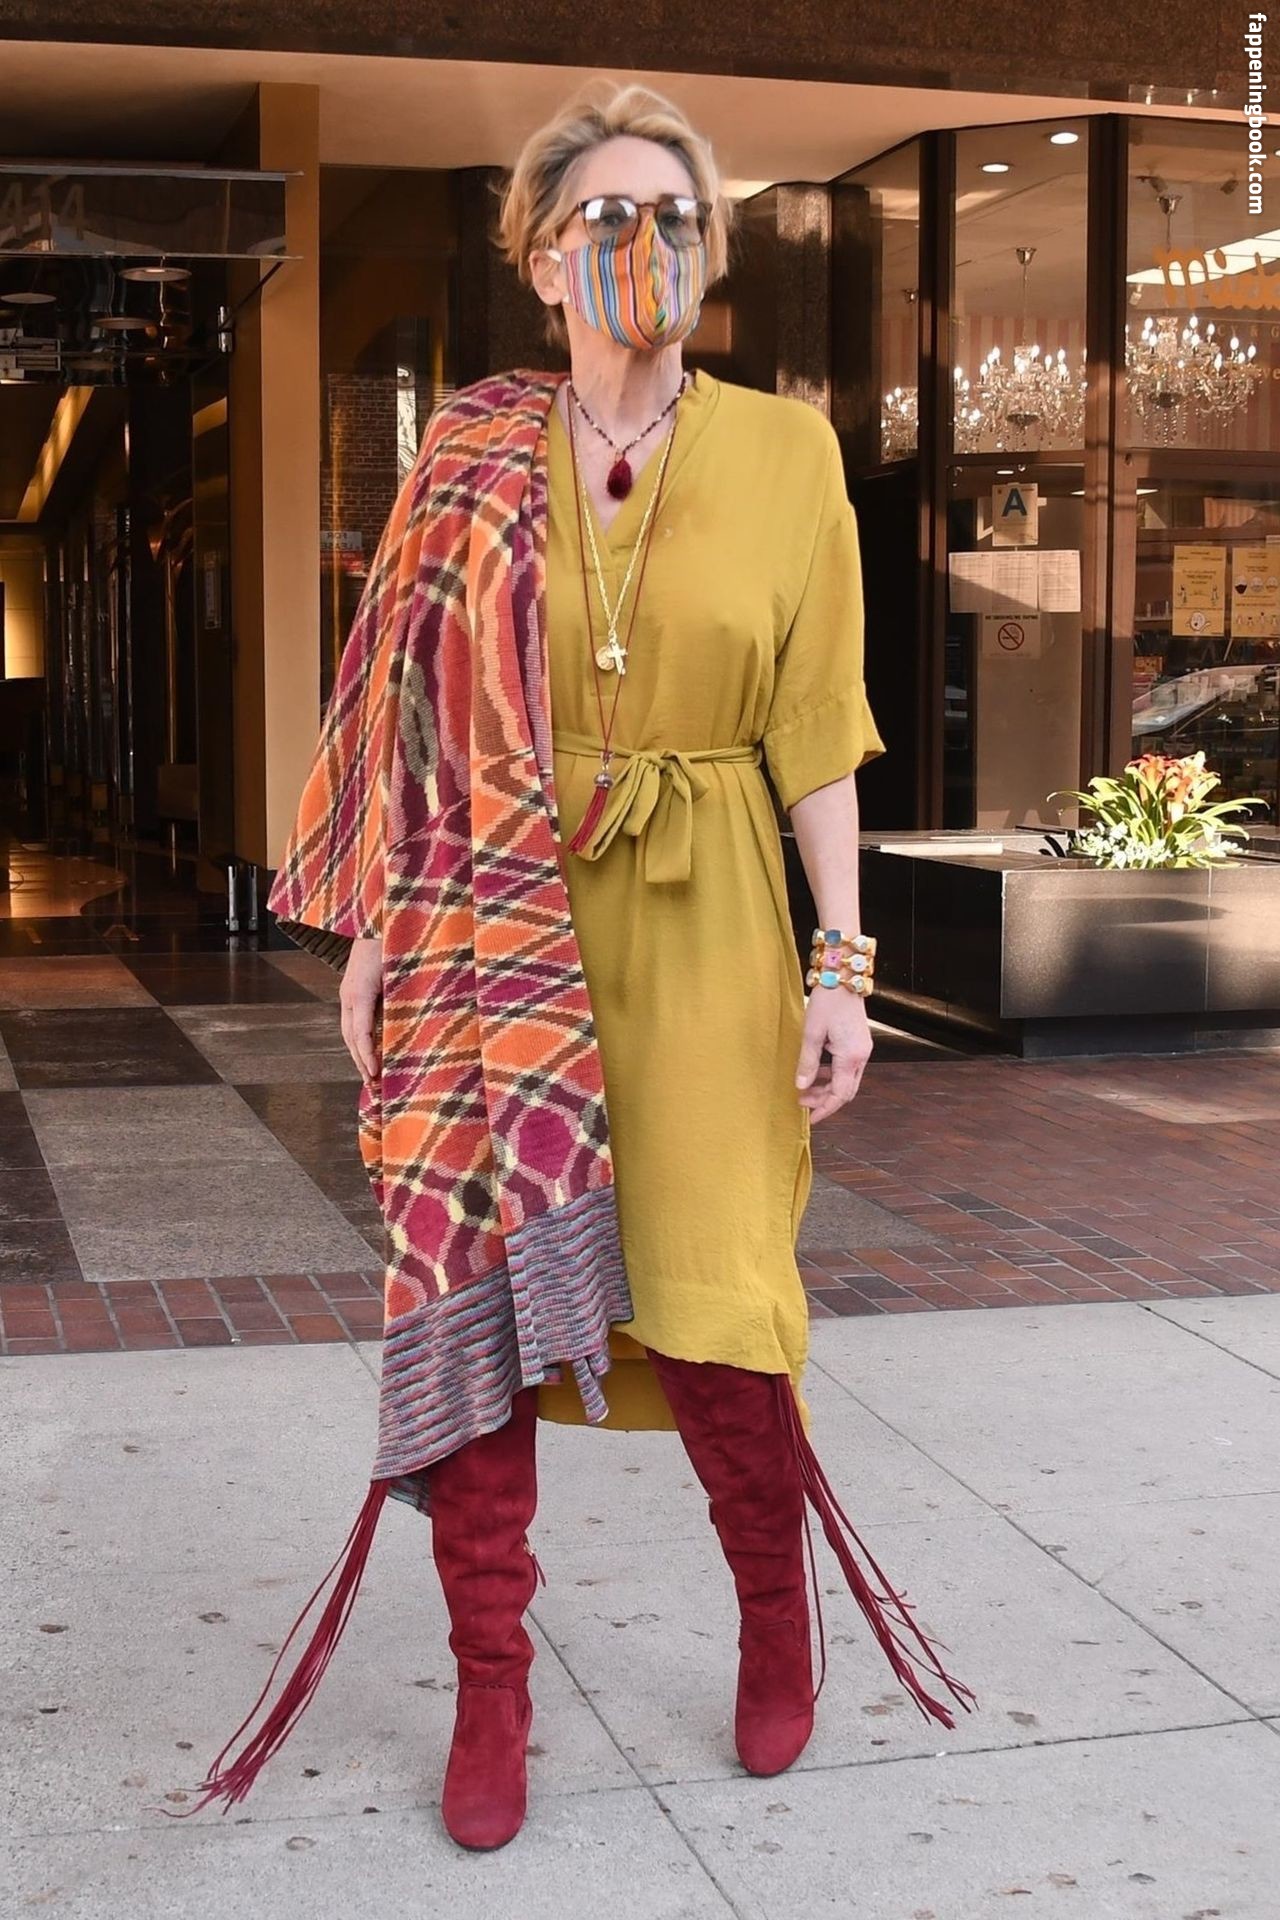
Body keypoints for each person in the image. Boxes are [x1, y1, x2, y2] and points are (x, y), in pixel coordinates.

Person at [187, 79, 975, 1852]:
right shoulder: (470, 451)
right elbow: (403, 718)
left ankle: (775, 1613)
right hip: (490, 923)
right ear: (544, 259)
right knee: (476, 1292)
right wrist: (377, 936)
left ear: (709, 253)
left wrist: (843, 965)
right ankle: (492, 1685)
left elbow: (820, 732)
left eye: (676, 219)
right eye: (608, 218)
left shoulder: (787, 455)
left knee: (718, 1305)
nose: (646, 247)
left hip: (709, 929)